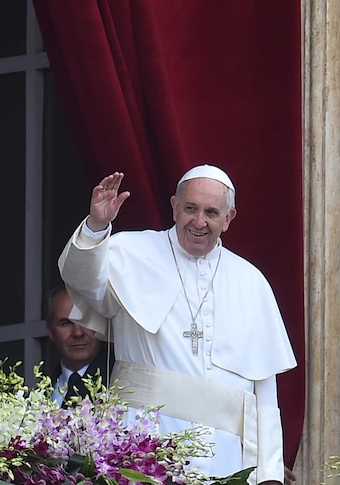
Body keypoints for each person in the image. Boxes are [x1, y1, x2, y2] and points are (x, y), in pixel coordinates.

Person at [58, 165, 296, 484]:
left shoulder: (251, 282)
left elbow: (265, 397)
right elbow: (82, 280)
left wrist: (269, 476)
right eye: (190, 209)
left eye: (211, 212)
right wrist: (97, 226)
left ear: (228, 219)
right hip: (142, 448)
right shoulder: (130, 252)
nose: (199, 222)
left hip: (225, 460)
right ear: (174, 206)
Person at [46, 286, 114, 406]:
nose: (78, 333)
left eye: (86, 321)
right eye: (66, 323)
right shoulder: (41, 389)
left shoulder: (118, 380)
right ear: (50, 332)